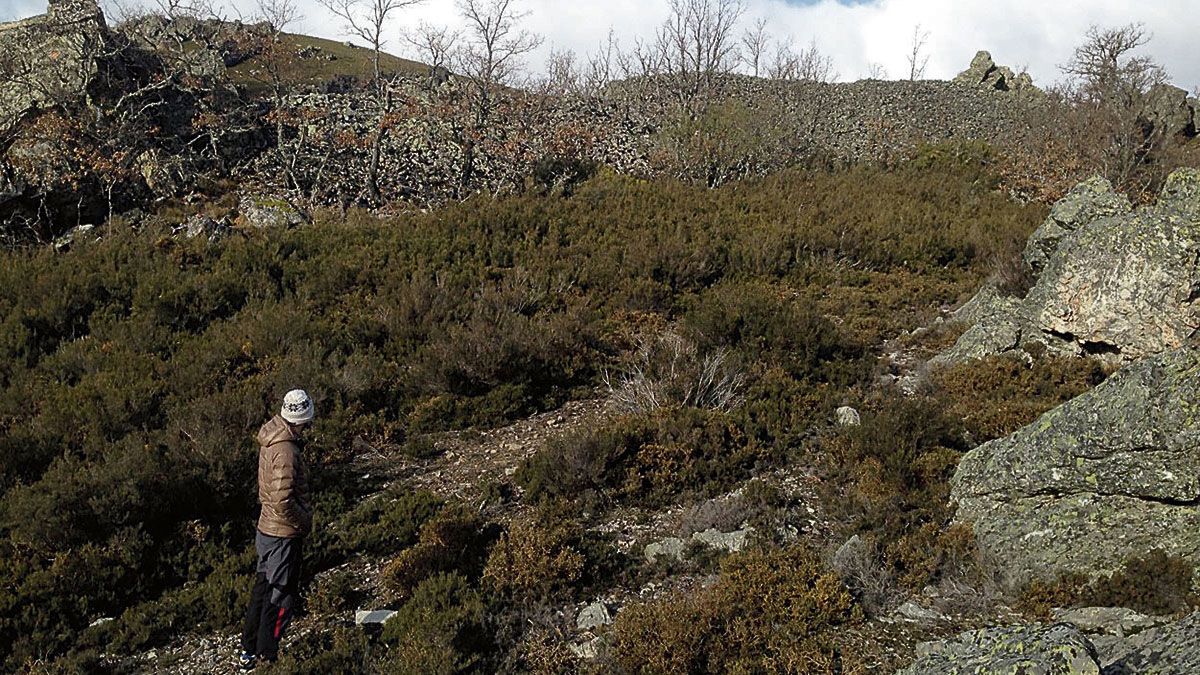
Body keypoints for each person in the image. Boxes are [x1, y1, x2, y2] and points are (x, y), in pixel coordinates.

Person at [239, 389, 315, 670]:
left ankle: (249, 649)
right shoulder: (286, 451)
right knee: (279, 594)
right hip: (282, 533)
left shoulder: (272, 438)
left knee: (263, 588)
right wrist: (303, 521)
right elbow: (283, 501)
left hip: (266, 528)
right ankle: (266, 655)